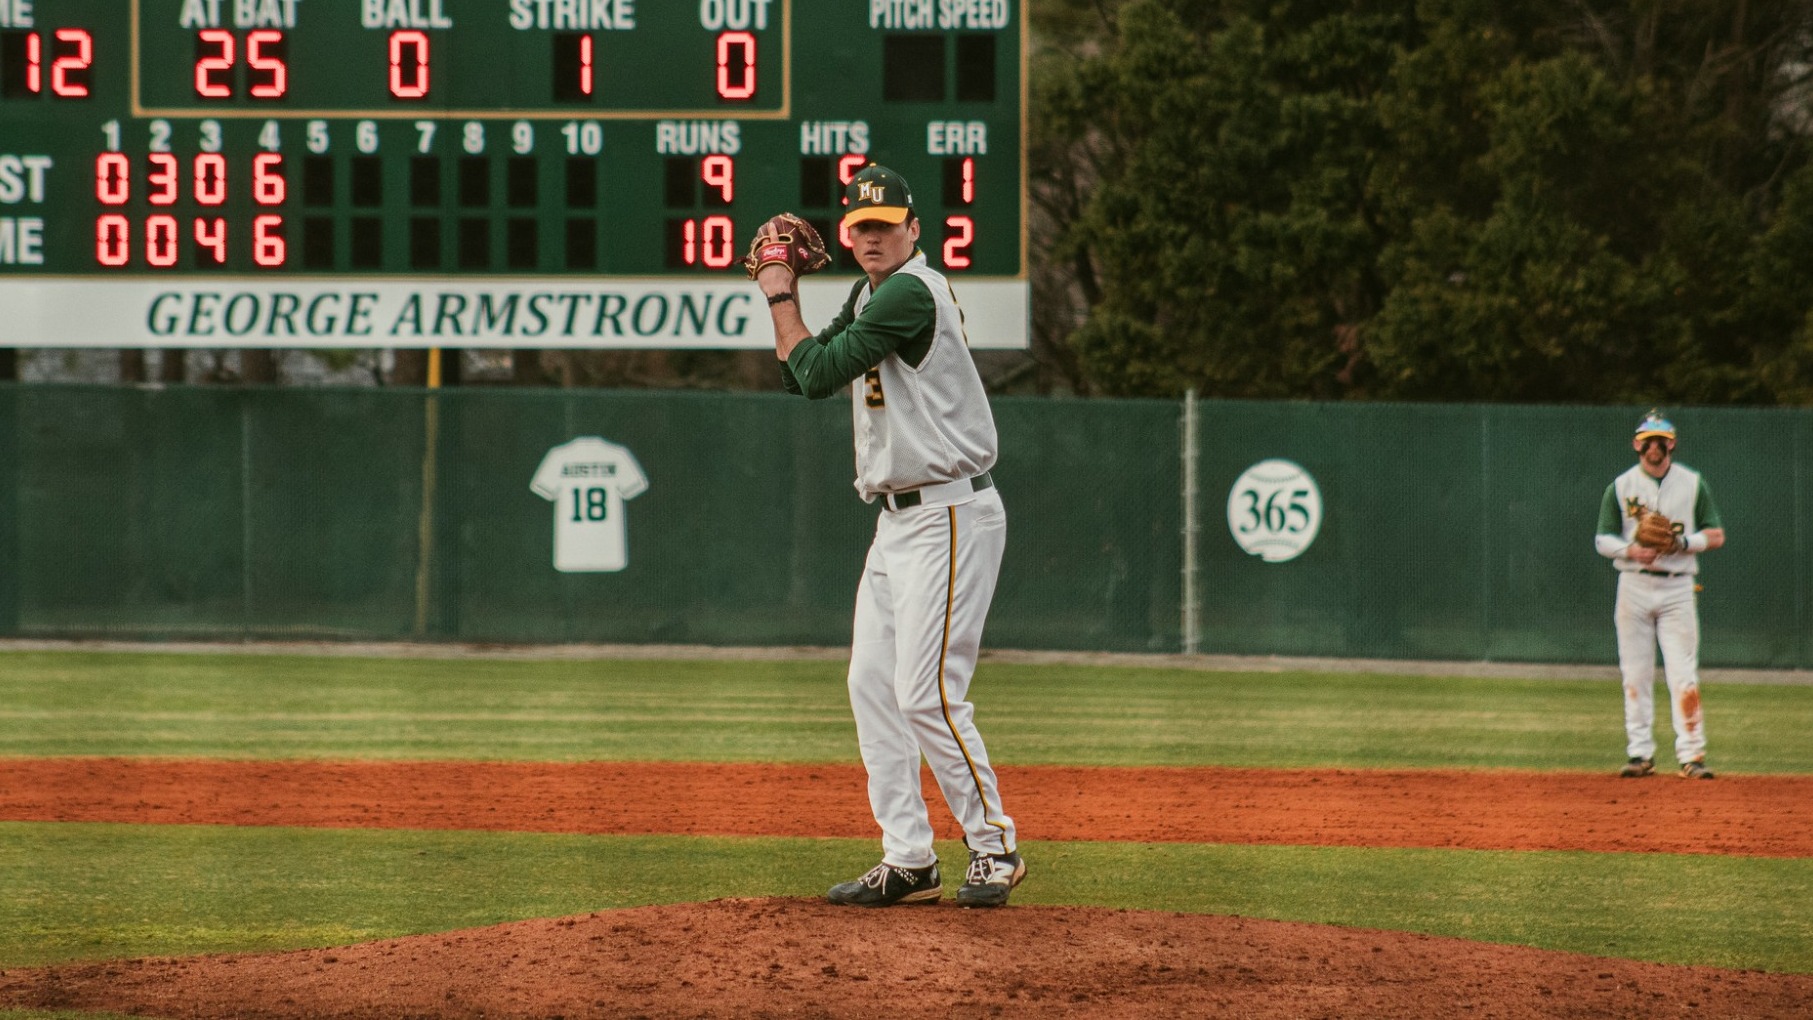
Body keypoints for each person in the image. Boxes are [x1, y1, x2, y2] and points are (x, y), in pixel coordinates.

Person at [751, 164, 1024, 907]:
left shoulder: (909, 290)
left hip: (949, 512)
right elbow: (797, 371)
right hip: (897, 521)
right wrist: (793, 308)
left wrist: (779, 290)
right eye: (861, 227)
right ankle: (908, 858)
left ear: (913, 230)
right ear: (847, 235)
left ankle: (993, 845)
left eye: (886, 224)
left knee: (927, 694)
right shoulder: (869, 292)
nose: (873, 237)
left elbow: (809, 371)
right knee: (870, 686)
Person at [1593, 411, 1726, 779]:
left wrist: (1684, 542)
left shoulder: (1692, 483)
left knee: (1683, 675)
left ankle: (1692, 756)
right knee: (1634, 675)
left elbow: (1716, 535)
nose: (1654, 447)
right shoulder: (1621, 486)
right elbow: (1602, 539)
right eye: (1647, 440)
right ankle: (1640, 755)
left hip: (1677, 587)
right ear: (1637, 444)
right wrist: (1629, 550)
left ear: (1672, 444)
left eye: (1661, 440)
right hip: (1634, 584)